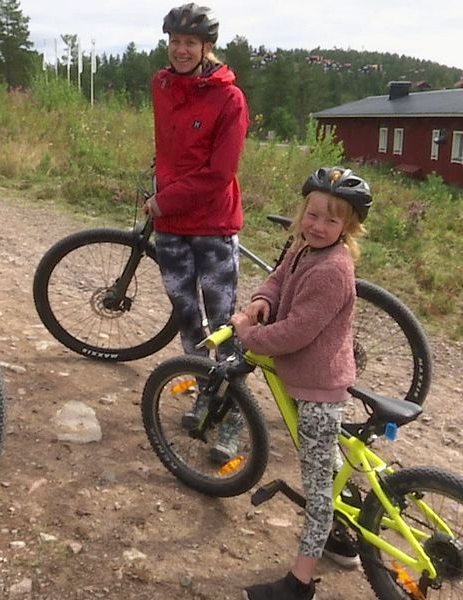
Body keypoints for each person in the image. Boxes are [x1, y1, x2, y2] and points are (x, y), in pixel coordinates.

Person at [231, 167, 373, 600]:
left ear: (348, 227)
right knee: (328, 464)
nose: (317, 225)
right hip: (309, 378)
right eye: (312, 214)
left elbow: (295, 333)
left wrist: (249, 334)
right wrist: (260, 300)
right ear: (302, 212)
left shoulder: (333, 269)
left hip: (318, 389)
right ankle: (345, 537)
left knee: (317, 493)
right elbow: (278, 279)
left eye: (331, 220)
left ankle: (300, 583)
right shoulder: (303, 247)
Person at [144, 3, 249, 461]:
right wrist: (157, 185)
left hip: (212, 226)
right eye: (175, 41)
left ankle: (235, 417)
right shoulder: (161, 85)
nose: (181, 50)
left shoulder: (230, 99)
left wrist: (165, 198)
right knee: (189, 322)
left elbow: (219, 173)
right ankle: (207, 394)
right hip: (170, 227)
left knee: (223, 327)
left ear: (208, 47)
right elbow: (169, 149)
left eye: (190, 42)